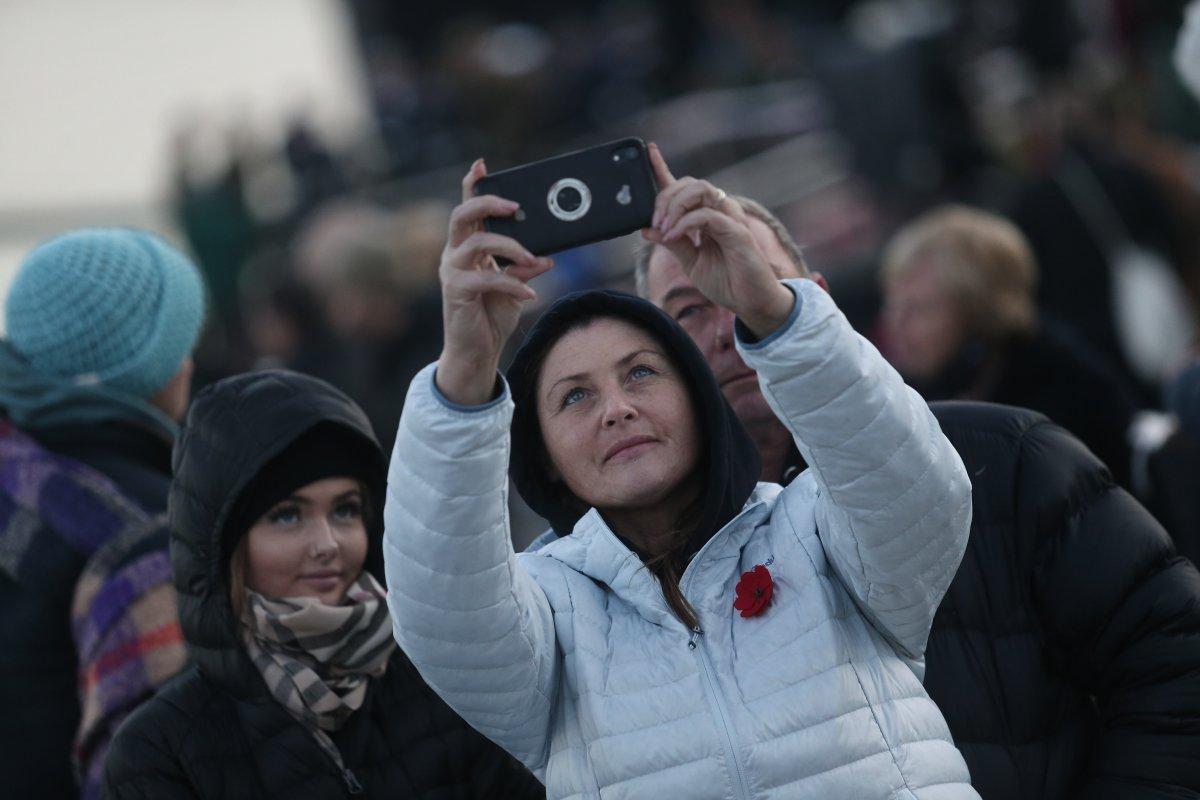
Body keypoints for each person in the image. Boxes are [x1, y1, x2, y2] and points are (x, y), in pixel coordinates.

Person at [385, 150, 976, 798]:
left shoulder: (819, 527)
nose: (616, 409)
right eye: (574, 396)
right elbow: (446, 618)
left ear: (698, 400)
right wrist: (465, 370)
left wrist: (771, 309)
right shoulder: (546, 614)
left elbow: (910, 490)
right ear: (543, 453)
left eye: (641, 372)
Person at [635, 192, 1200, 797]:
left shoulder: (1007, 456)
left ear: (818, 300)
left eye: (756, 282)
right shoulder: (643, 574)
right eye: (689, 311)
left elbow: (1174, 661)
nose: (730, 325)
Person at [100, 369, 544, 799]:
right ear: (224, 545)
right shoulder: (160, 751)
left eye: (345, 510)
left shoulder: (441, 683)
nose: (327, 544)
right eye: (287, 516)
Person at [0, 229, 203, 799]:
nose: (189, 362)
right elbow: (158, 764)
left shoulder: (17, 471)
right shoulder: (143, 529)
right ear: (144, 370)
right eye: (179, 344)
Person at [878, 205, 1140, 487]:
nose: (895, 324)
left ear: (981, 313)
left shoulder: (1070, 395)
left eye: (919, 308)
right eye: (893, 305)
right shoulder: (916, 398)